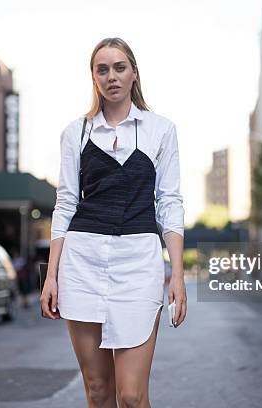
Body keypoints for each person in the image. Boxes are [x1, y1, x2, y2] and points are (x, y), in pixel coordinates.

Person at [41, 37, 187, 407]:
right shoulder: (75, 132)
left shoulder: (161, 130)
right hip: (83, 262)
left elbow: (169, 204)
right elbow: (66, 202)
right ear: (93, 78)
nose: (111, 77)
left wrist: (179, 275)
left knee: (133, 396)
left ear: (134, 73)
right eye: (102, 69)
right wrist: (51, 275)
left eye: (119, 67)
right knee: (98, 390)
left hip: (138, 262)